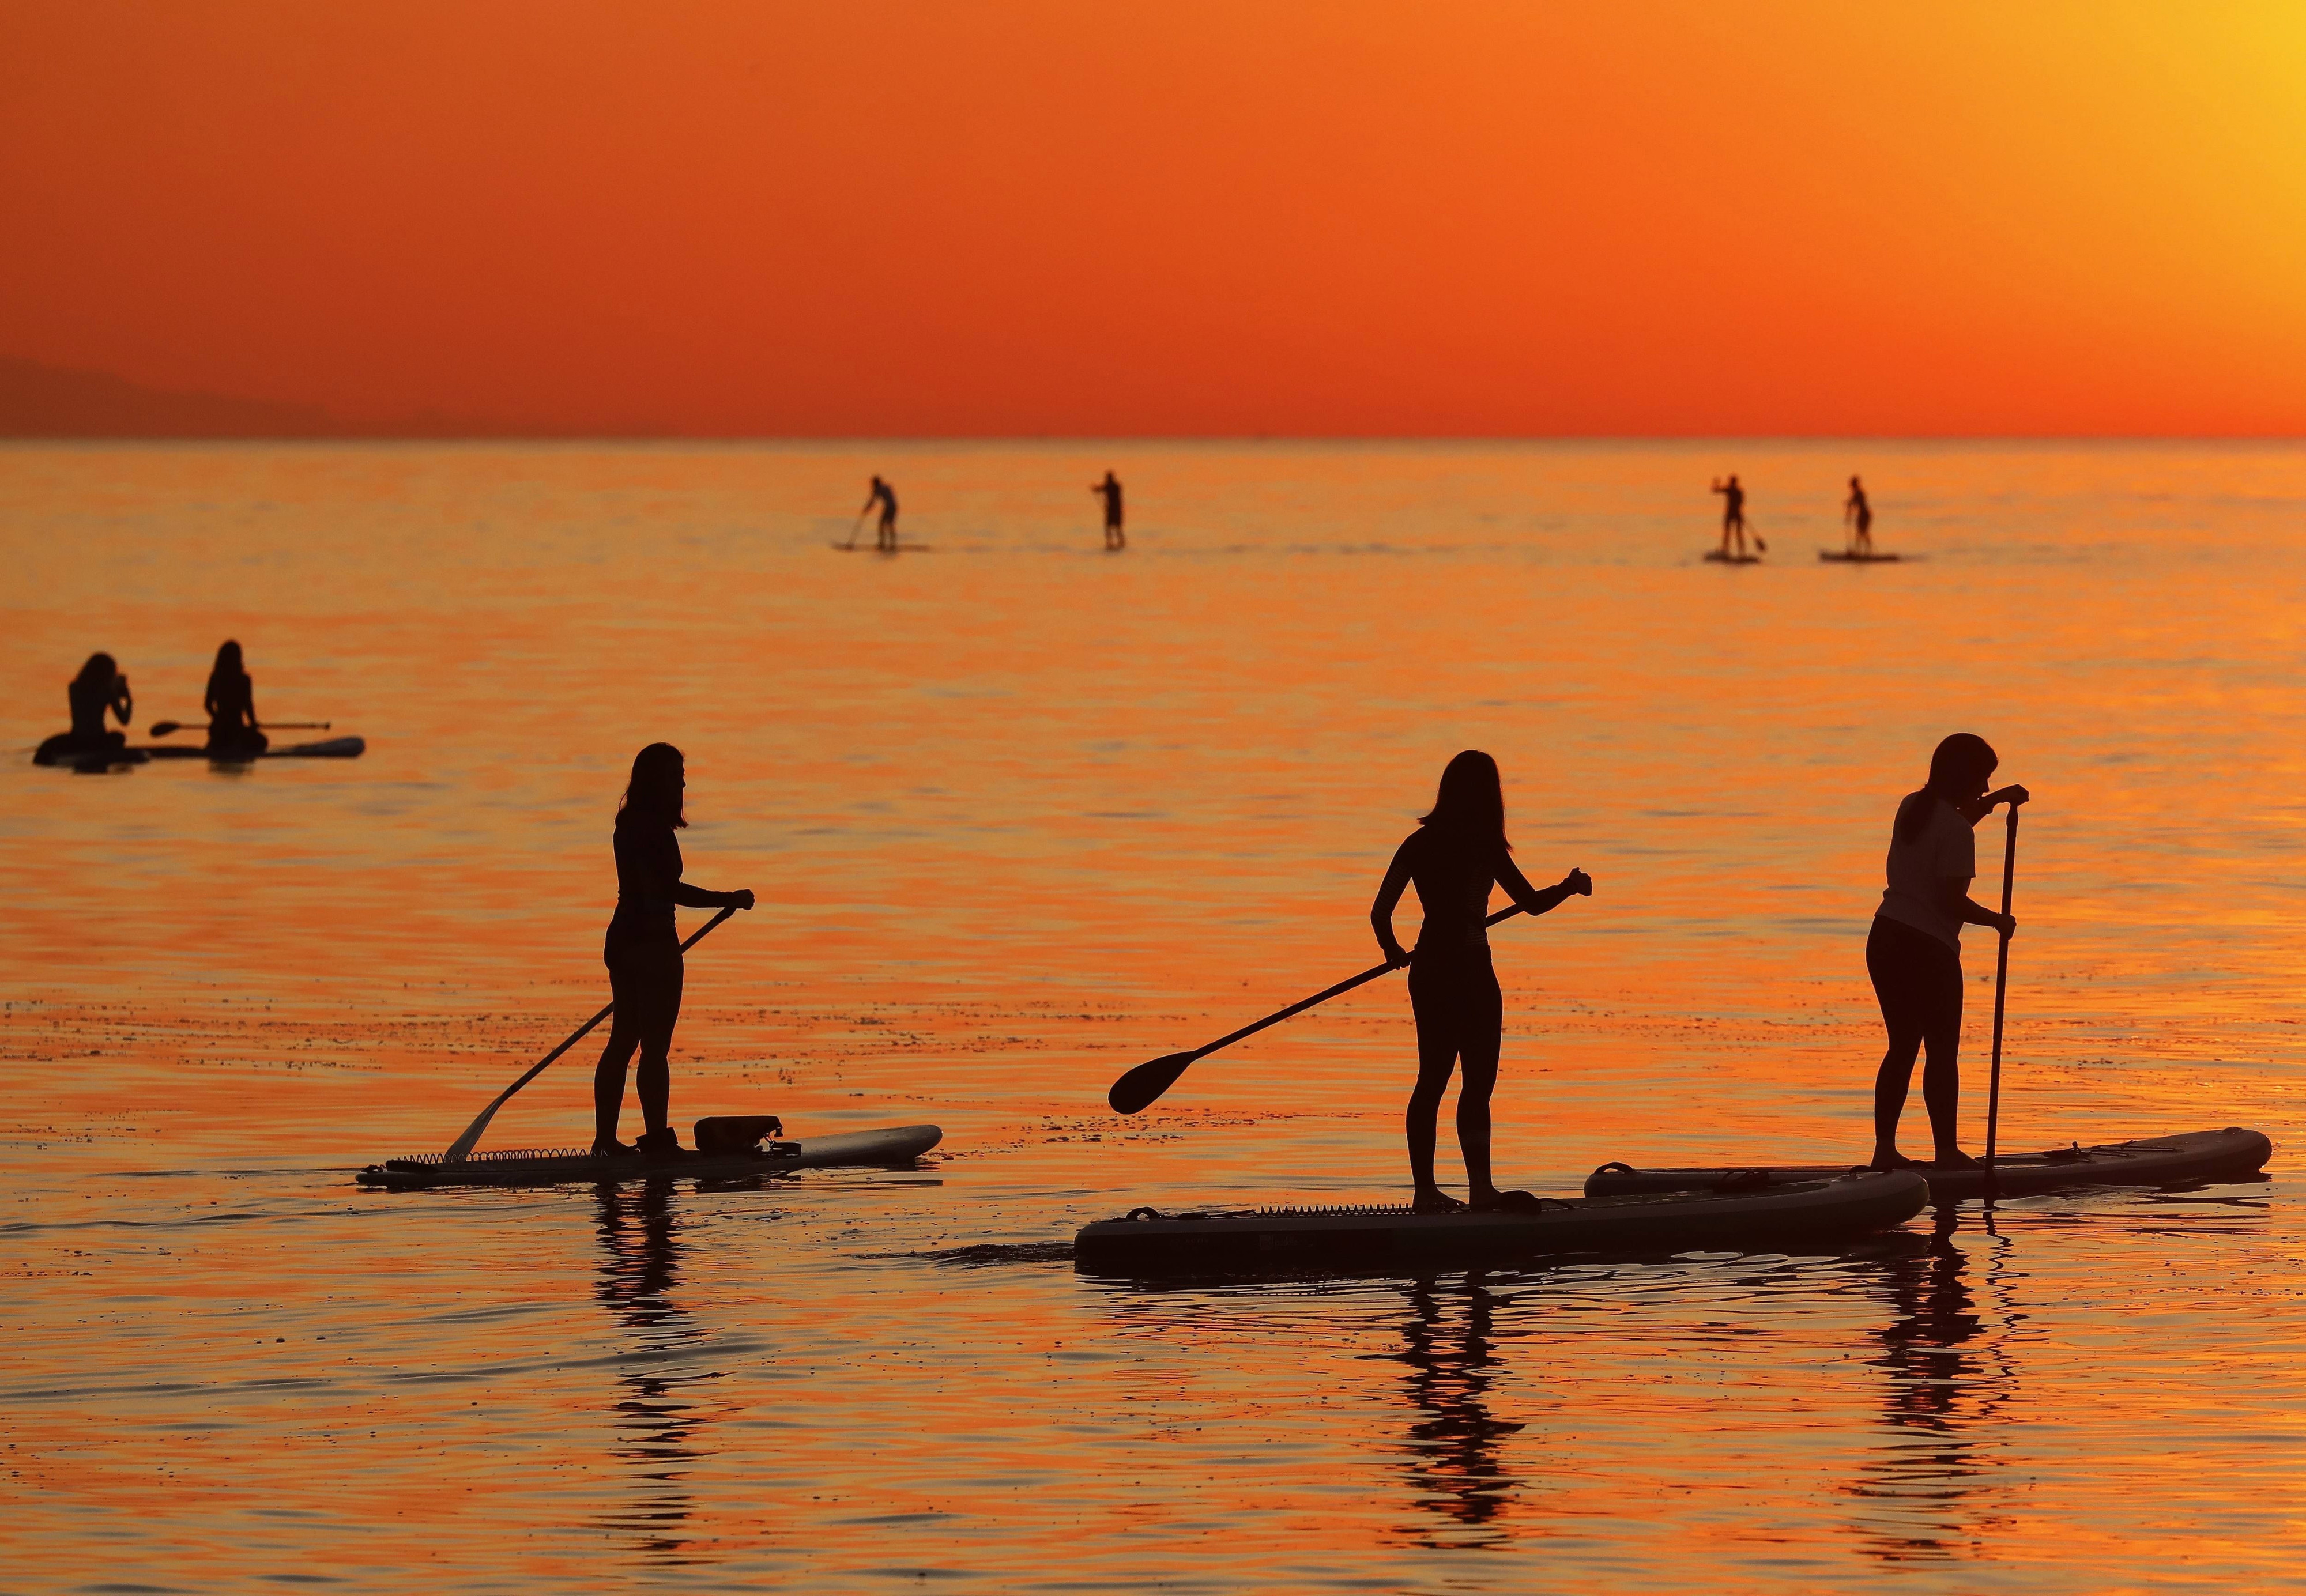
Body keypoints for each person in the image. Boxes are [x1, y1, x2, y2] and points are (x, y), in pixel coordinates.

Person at [1370, 751, 1593, 1212]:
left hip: (1429, 967)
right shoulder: (1485, 845)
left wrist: (1392, 949)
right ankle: (1481, 1189)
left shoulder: (1418, 843)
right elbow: (1531, 903)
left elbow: (1380, 912)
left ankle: (1425, 1191)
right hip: (1470, 968)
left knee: (1431, 1079)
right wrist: (1568, 887)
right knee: (1476, 1085)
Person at [1867, 733, 2028, 1171]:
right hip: (1927, 949)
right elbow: (1949, 901)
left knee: (1901, 1046)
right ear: (1962, 776)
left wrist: (1996, 800)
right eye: (1982, 778)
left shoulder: (1911, 808)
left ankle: (1884, 1151)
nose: (1983, 786)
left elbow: (1954, 822)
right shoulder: (1956, 830)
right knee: (1941, 1052)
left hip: (1884, 938)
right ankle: (1947, 1154)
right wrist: (1999, 920)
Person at [594, 743, 755, 1159]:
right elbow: (667, 890)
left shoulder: (627, 824)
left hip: (623, 940)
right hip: (651, 944)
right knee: (654, 1048)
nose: (683, 782)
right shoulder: (653, 830)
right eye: (676, 774)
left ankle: (606, 1141)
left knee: (623, 1041)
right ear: (656, 781)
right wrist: (728, 898)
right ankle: (657, 1144)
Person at [203, 640, 266, 758]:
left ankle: (219, 745)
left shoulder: (215, 677)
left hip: (221, 727)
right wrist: (252, 723)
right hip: (235, 727)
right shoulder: (244, 679)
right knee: (262, 742)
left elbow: (207, 705)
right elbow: (248, 705)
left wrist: (218, 718)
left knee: (262, 742)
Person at [1710, 474, 1750, 556]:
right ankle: (1731, 552)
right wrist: (1716, 483)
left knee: (1736, 533)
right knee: (1731, 533)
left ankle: (1740, 552)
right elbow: (1715, 490)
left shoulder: (1734, 491)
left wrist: (1716, 483)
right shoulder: (1735, 491)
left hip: (1733, 514)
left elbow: (1715, 490)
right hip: (1735, 514)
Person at [861, 476, 899, 552]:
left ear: (875, 483)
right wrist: (867, 508)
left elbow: (873, 501)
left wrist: (866, 509)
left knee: (883, 525)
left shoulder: (878, 489)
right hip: (893, 506)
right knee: (889, 525)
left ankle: (884, 544)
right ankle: (891, 544)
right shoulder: (885, 487)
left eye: (873, 484)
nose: (872, 486)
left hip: (890, 507)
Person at [1092, 470, 1125, 550]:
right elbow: (1102, 489)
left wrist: (1095, 489)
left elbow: (1101, 489)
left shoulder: (1113, 486)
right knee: (1116, 527)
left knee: (1111, 527)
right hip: (1116, 510)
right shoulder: (1116, 486)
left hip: (1113, 510)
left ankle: (1112, 543)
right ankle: (1118, 542)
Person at [1845, 475, 1874, 555]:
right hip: (1863, 514)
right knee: (1861, 533)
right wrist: (1848, 514)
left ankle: (1867, 552)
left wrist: (1849, 505)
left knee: (1863, 532)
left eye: (1852, 485)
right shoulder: (1857, 493)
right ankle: (1861, 551)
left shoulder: (1859, 492)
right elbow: (1852, 504)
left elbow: (1853, 503)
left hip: (1864, 514)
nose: (1851, 486)